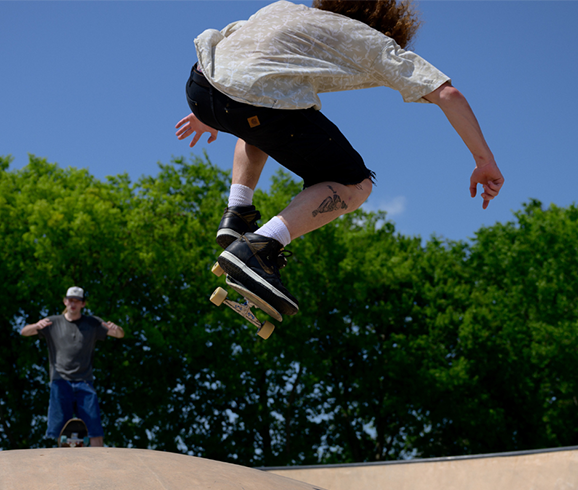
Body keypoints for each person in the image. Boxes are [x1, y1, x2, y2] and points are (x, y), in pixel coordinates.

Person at [175, 0, 504, 317]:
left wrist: (211, 111)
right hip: (251, 102)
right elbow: (447, 94)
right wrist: (484, 160)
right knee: (355, 183)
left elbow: (239, 52)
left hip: (201, 86)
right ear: (383, 25)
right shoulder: (372, 40)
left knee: (270, 110)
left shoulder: (284, 9)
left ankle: (238, 214)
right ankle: (258, 248)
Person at [21, 287, 125, 447]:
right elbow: (24, 332)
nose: (73, 303)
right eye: (70, 300)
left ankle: (100, 463)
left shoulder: (93, 323)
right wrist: (36, 325)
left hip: (85, 382)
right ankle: (63, 465)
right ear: (65, 301)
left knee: (95, 429)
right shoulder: (52, 322)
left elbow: (120, 335)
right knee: (61, 430)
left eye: (77, 301)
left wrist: (116, 329)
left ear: (83, 304)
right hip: (60, 381)